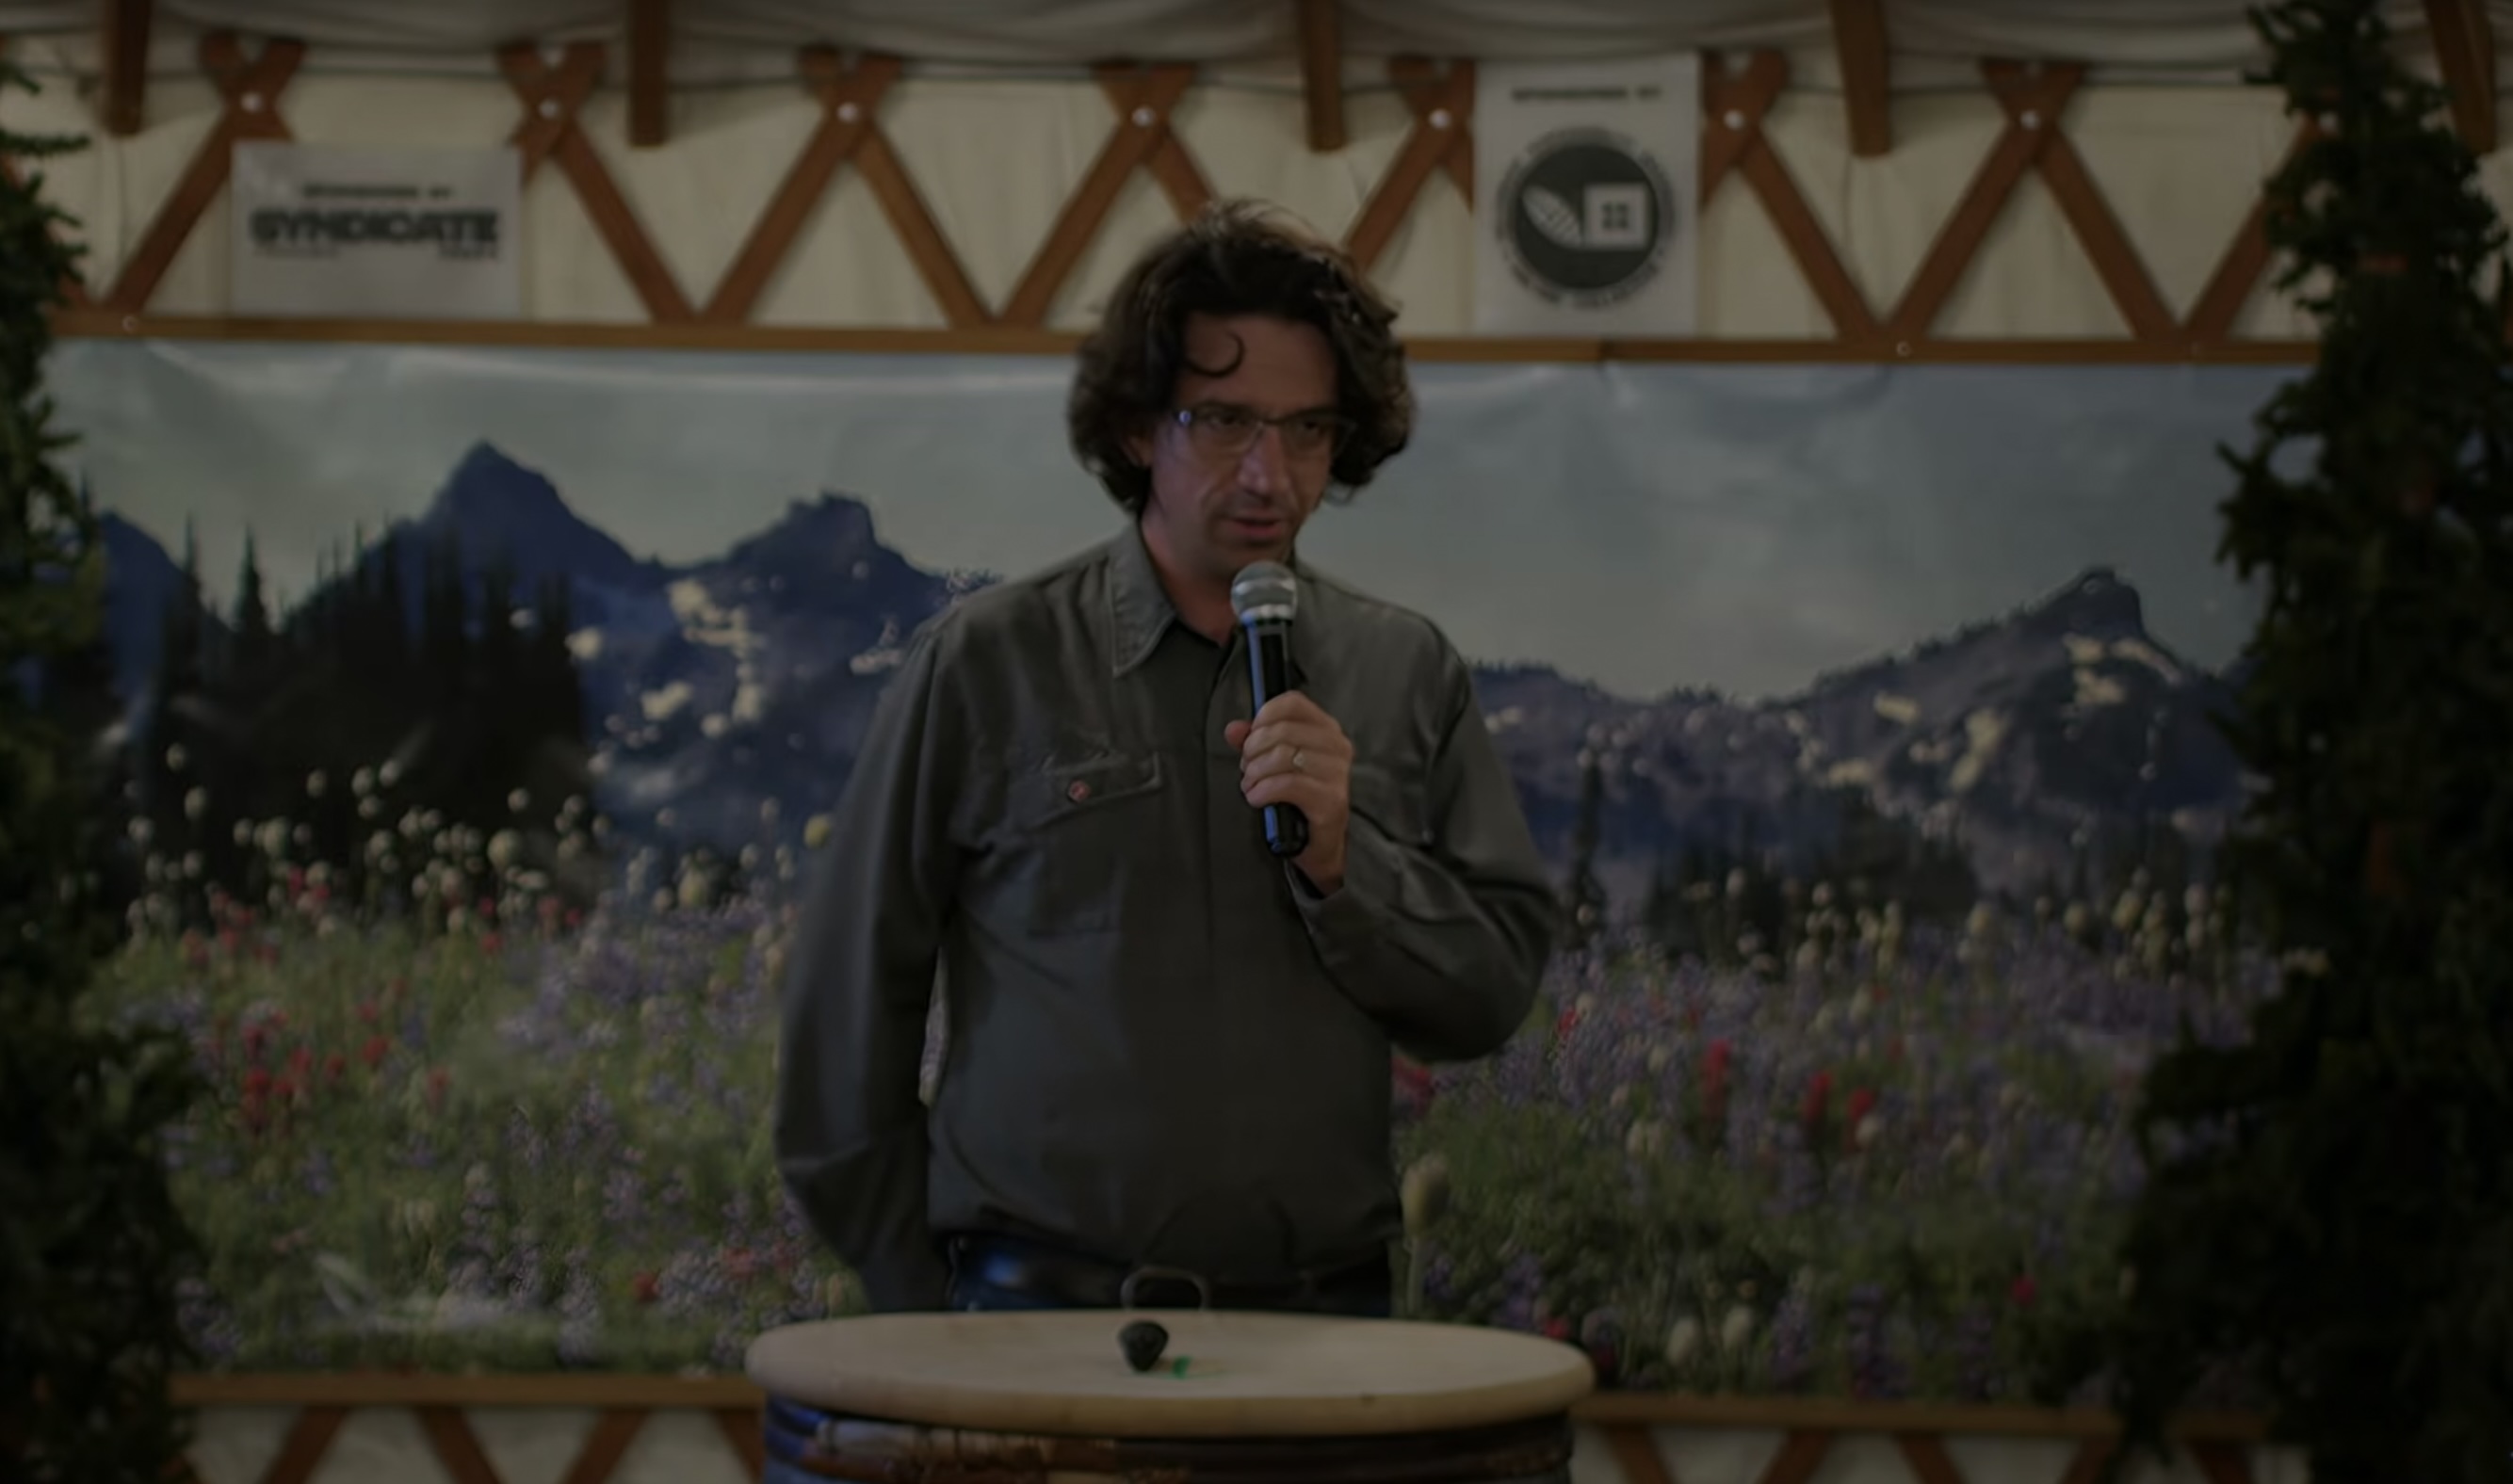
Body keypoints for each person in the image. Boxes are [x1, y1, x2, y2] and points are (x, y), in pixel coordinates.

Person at [773, 200, 1558, 1320]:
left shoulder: (1405, 669)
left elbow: (1486, 996)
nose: (1267, 476)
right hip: (1031, 1315)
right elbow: (847, 1010)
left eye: (1306, 430)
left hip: (1320, 1324)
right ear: (1140, 426)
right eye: (1224, 421)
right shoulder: (989, 660)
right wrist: (922, 1302)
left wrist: (1348, 864)